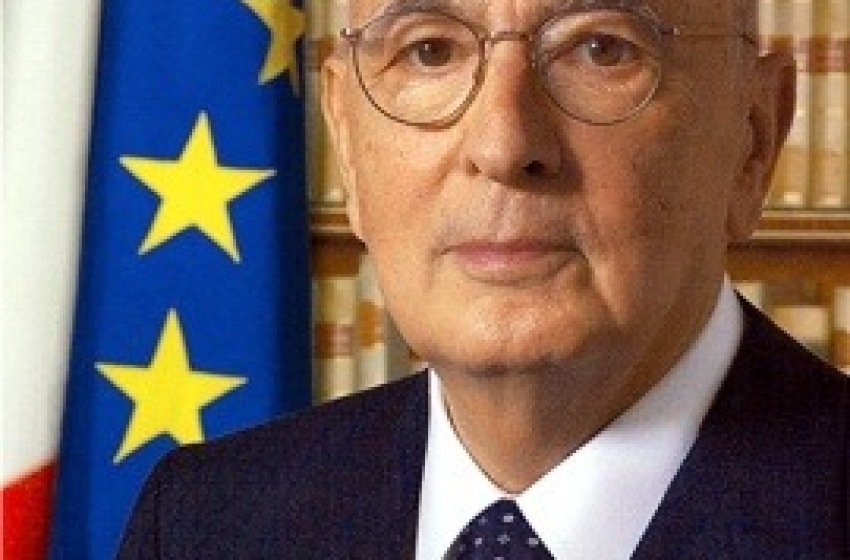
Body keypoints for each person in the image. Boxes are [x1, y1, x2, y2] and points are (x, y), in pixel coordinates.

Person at [118, 0, 848, 558]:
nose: (503, 144)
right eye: (429, 51)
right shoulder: (202, 523)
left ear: (753, 140)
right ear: (345, 140)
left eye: (601, 48)